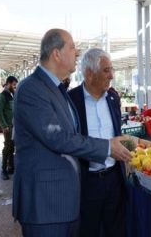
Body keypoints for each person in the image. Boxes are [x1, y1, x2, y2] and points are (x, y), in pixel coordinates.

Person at [12, 29, 131, 237]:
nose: (77, 53)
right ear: (56, 54)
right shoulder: (31, 89)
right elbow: (58, 137)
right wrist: (107, 147)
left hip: (65, 204)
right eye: (72, 47)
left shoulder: (57, 90)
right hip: (46, 207)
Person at [68, 48, 127, 237]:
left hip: (113, 179)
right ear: (89, 74)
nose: (112, 75)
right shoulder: (71, 100)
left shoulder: (113, 97)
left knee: (116, 230)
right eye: (106, 70)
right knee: (88, 230)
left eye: (112, 69)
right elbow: (70, 142)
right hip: (87, 183)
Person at [0, 76, 18, 180]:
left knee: (11, 147)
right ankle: (3, 170)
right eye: (13, 85)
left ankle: (11, 167)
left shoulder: (11, 95)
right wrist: (4, 125)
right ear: (8, 83)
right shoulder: (3, 96)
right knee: (7, 147)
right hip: (8, 127)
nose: (15, 87)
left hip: (13, 126)